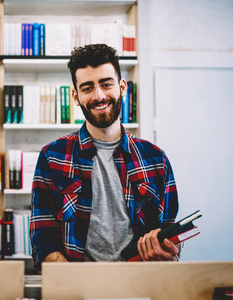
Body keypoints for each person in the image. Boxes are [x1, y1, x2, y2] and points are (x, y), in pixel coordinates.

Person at [30, 44, 179, 268]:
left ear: (121, 87)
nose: (99, 96)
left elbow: (170, 231)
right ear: (75, 96)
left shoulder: (155, 159)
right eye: (88, 88)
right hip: (77, 289)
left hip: (142, 284)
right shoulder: (52, 156)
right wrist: (69, 280)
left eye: (106, 84)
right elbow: (43, 236)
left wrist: (167, 249)